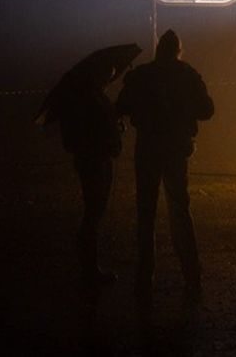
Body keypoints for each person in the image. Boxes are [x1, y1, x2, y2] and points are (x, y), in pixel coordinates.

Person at [116, 30, 214, 301]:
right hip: (176, 147)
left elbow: (121, 106)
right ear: (178, 50)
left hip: (147, 147)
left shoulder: (142, 75)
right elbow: (207, 110)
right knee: (180, 209)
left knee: (145, 211)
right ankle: (191, 274)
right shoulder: (188, 75)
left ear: (158, 49)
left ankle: (144, 277)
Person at [51, 62, 122, 288]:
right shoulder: (91, 101)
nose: (110, 79)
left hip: (93, 160)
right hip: (96, 161)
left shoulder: (85, 99)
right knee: (93, 213)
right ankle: (90, 270)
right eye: (108, 75)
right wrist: (111, 134)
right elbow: (96, 130)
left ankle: (89, 267)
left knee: (93, 212)